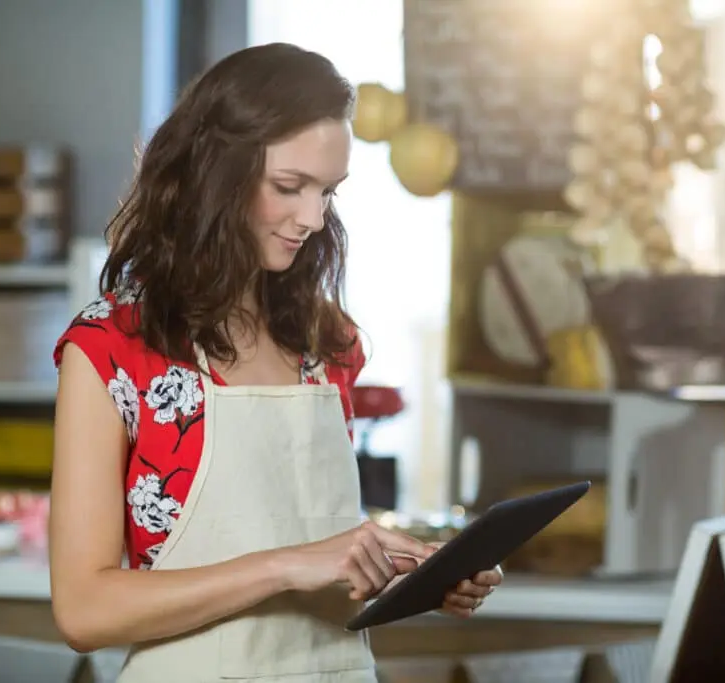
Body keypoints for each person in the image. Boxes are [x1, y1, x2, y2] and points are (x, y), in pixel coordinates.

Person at [49, 43, 502, 682]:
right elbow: (83, 610)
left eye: (328, 192)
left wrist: (413, 574)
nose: (313, 219)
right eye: (289, 187)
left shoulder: (324, 342)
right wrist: (286, 563)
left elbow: (319, 562)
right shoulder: (113, 349)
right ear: (216, 171)